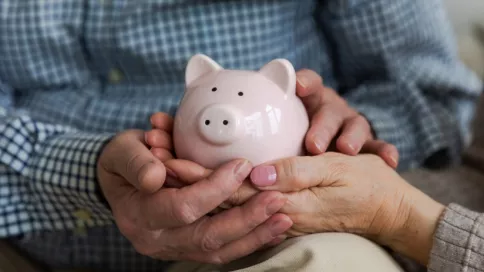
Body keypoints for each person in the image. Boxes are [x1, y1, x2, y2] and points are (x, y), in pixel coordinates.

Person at [0, 0, 481, 271]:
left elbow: (432, 94)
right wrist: (87, 169)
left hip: (278, 235)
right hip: (24, 232)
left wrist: (346, 143)